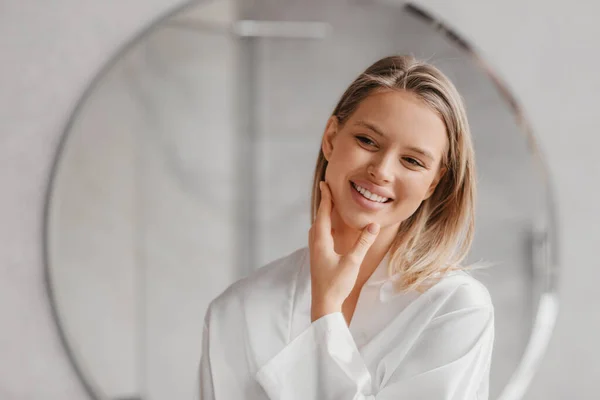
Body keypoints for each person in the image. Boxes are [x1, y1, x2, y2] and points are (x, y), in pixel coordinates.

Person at [199, 55, 494, 399]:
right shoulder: (237, 310)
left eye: (412, 161)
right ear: (330, 137)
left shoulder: (456, 307)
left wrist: (326, 310)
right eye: (367, 141)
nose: (382, 171)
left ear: (433, 183)